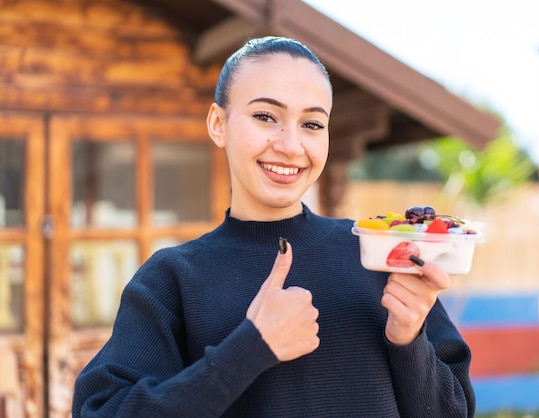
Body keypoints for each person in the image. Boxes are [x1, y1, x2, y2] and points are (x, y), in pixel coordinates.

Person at [72, 36, 475, 417]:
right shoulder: (172, 279)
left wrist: (408, 341)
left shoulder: (378, 253)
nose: (290, 145)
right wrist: (249, 349)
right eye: (266, 116)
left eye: (312, 124)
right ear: (218, 123)